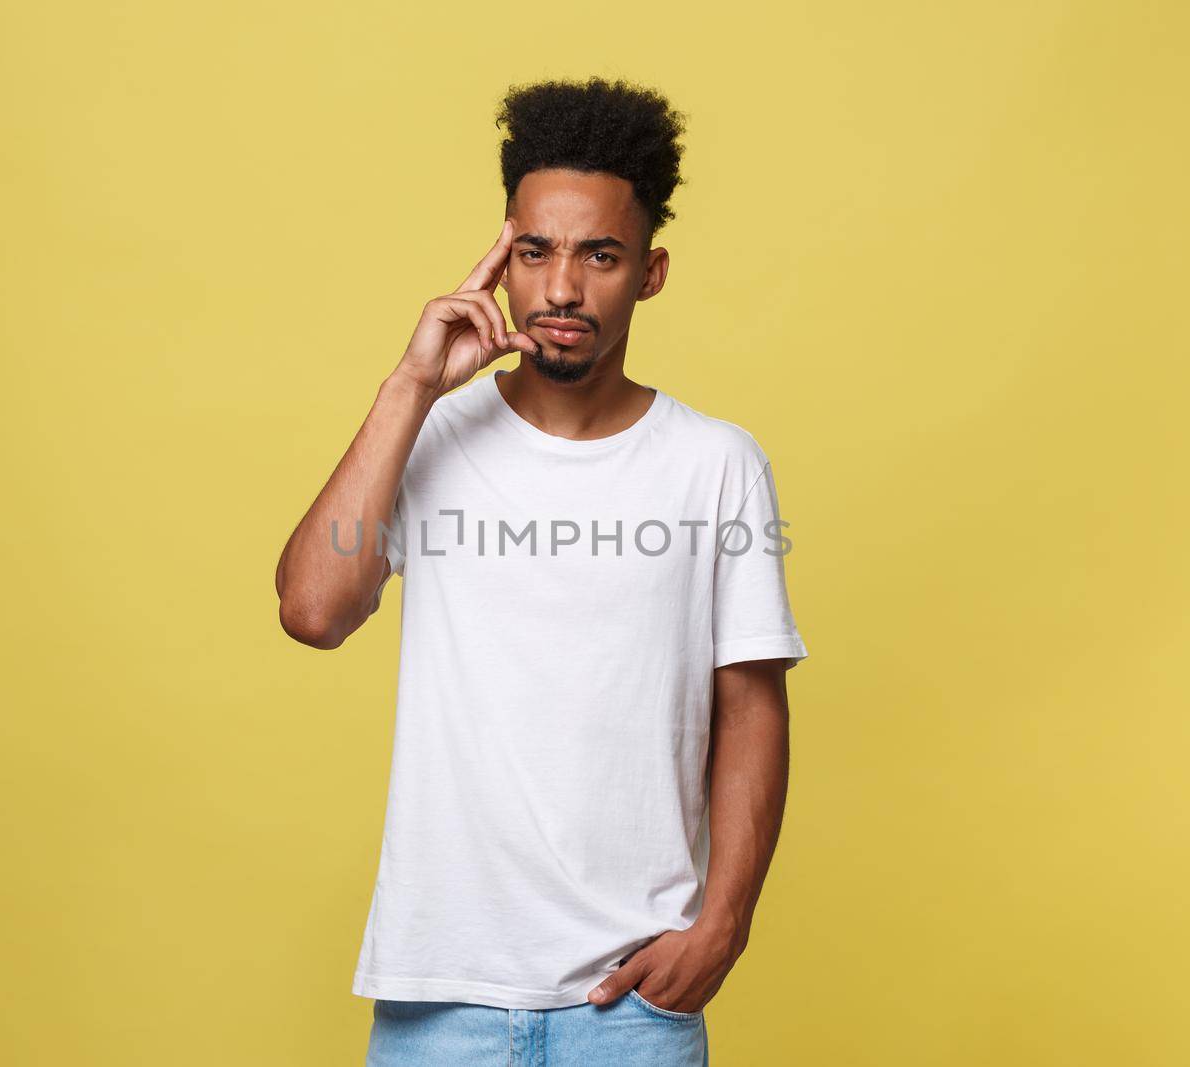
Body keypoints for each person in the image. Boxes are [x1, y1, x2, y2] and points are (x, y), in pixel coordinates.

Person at [274, 76, 807, 1066]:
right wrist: (409, 385)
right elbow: (311, 608)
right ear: (502, 259)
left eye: (598, 255)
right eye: (536, 251)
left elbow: (750, 704)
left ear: (647, 274)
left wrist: (723, 924)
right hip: (443, 1000)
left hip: (631, 1009)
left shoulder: (715, 463)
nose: (561, 288)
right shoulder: (426, 434)